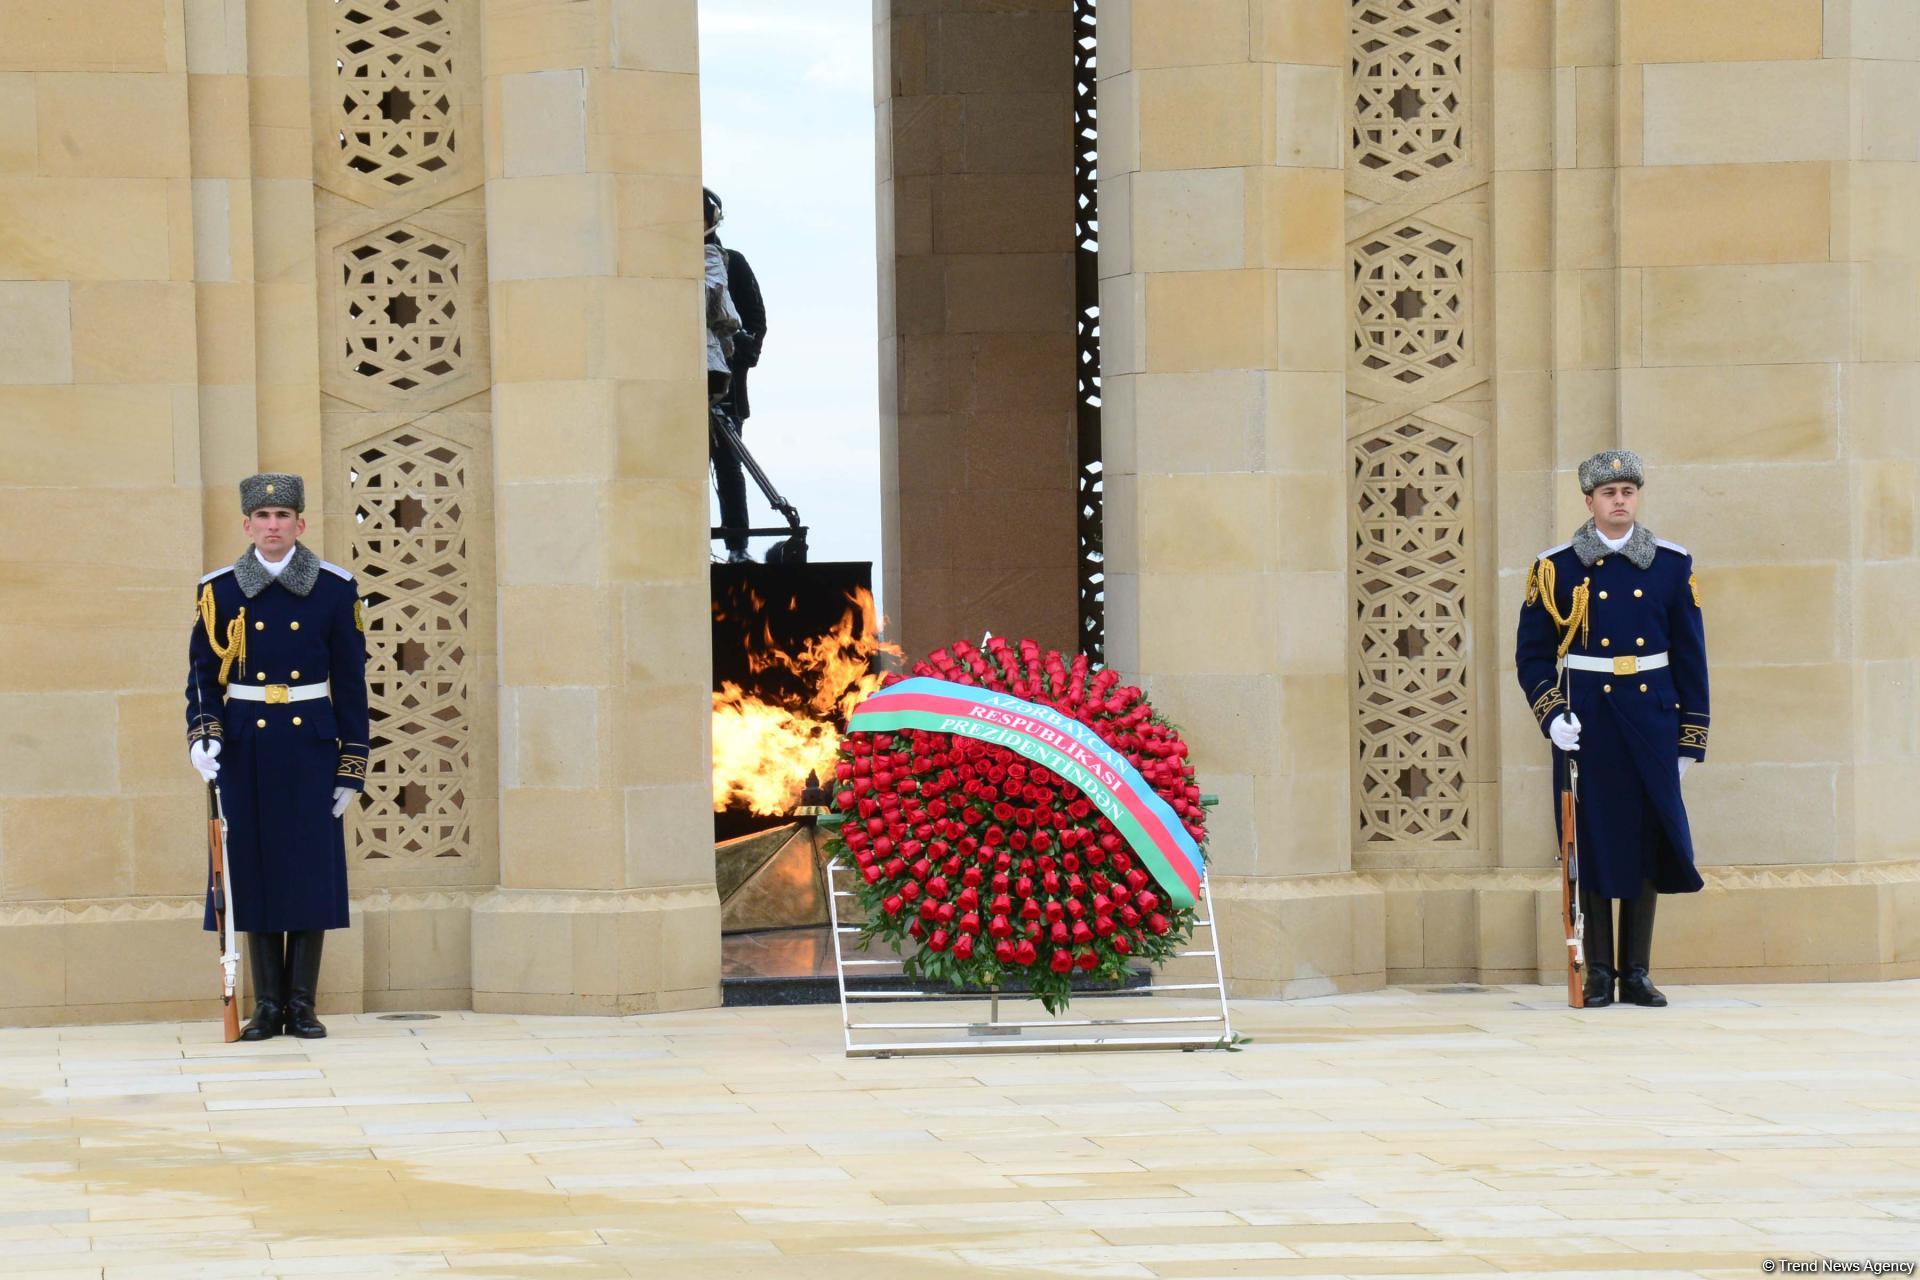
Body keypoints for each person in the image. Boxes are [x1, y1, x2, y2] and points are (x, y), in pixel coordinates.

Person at [1515, 450, 1709, 1008]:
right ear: (1589, 501)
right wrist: (1554, 717)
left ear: (1637, 496)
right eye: (1608, 493)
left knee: (1649, 839)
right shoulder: (1557, 567)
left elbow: (1691, 657)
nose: (1619, 500)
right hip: (1589, 721)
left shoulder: (1671, 564)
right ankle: (1598, 970)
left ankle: (1637, 972)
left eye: (1628, 490)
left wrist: (1690, 739)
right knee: (1592, 842)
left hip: (1651, 717)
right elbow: (1532, 656)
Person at [187, 474, 369, 1040]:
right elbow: (201, 675)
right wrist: (203, 736)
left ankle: (301, 1003)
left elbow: (352, 682)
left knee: (308, 870)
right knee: (253, 871)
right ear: (247, 526)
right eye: (262, 517)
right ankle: (265, 1004)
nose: (272, 526)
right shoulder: (219, 591)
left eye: (283, 517)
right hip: (246, 745)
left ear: (300, 525)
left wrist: (352, 764)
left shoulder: (335, 589)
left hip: (310, 745)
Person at [703, 186, 751, 564]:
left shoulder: (730, 262)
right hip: (690, 381)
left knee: (729, 465)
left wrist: (733, 358)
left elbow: (755, 321)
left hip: (725, 386)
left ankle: (737, 547)